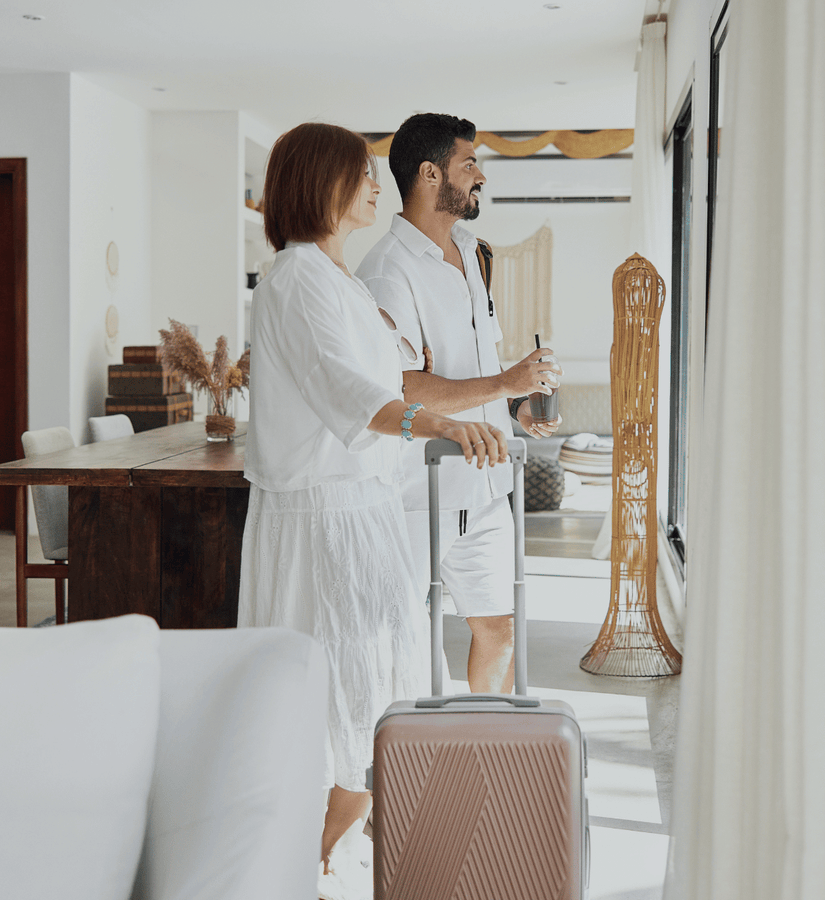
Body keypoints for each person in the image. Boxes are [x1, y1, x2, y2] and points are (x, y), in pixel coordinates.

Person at [238, 122, 510, 891]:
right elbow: (356, 397)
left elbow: (389, 371)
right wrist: (444, 422)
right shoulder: (294, 279)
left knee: (374, 704)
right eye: (359, 172)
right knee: (349, 713)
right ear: (318, 184)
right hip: (323, 524)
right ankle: (298, 865)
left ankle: (321, 859)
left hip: (361, 514)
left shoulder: (337, 278)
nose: (374, 186)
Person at [357, 113, 564, 694]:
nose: (480, 176)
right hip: (417, 497)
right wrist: (503, 383)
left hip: (488, 487)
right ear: (429, 174)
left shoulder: (473, 253)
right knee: (412, 647)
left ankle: (486, 765)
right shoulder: (385, 272)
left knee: (499, 628)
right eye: (468, 163)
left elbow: (465, 371)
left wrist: (512, 409)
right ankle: (425, 768)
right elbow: (399, 388)